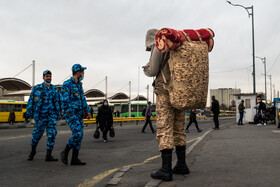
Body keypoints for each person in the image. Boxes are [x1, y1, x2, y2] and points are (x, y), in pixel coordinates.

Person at [142, 29, 189, 181]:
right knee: (178, 128)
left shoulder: (159, 44)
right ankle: (181, 165)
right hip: (180, 91)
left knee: (164, 128)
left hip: (165, 91)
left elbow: (154, 70)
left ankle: (166, 169)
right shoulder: (179, 43)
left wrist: (146, 69)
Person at [26, 70, 62, 161]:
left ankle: (48, 155)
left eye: (50, 76)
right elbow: (31, 101)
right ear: (43, 77)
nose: (49, 78)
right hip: (40, 116)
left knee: (52, 134)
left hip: (51, 116)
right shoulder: (37, 88)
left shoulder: (55, 89)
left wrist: (59, 113)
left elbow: (59, 102)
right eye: (47, 76)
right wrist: (29, 113)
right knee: (37, 135)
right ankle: (33, 151)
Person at [60, 64, 91, 165]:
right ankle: (65, 152)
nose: (83, 74)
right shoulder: (67, 84)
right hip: (71, 113)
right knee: (77, 133)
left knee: (79, 135)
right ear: (78, 72)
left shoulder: (79, 85)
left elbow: (82, 99)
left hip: (79, 114)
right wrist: (69, 112)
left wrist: (87, 111)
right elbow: (64, 100)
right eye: (82, 72)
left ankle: (74, 158)